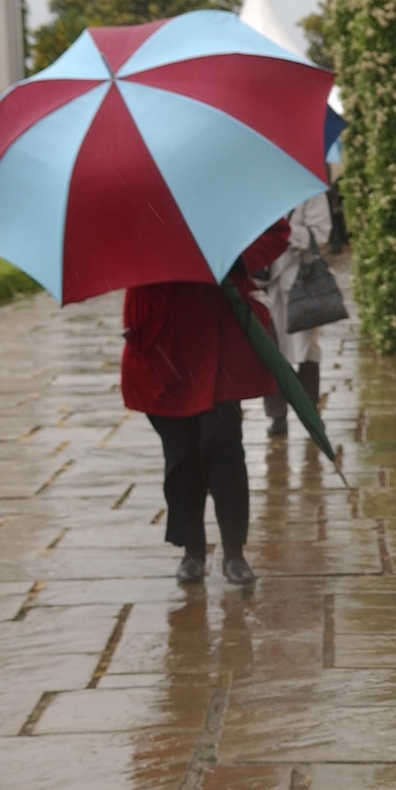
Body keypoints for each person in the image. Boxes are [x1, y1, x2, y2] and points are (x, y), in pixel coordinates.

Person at [122, 221, 291, 586]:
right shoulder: (134, 193)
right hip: (162, 339)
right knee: (180, 454)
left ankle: (234, 552)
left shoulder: (226, 179)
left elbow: (275, 233)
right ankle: (193, 552)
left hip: (220, 335)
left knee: (224, 446)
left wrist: (234, 260)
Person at [261, 192, 335, 437]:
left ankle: (310, 411)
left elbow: (322, 233)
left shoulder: (310, 191)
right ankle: (276, 413)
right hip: (266, 282)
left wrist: (286, 232)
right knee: (270, 349)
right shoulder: (258, 188)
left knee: (306, 349)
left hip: (301, 283)